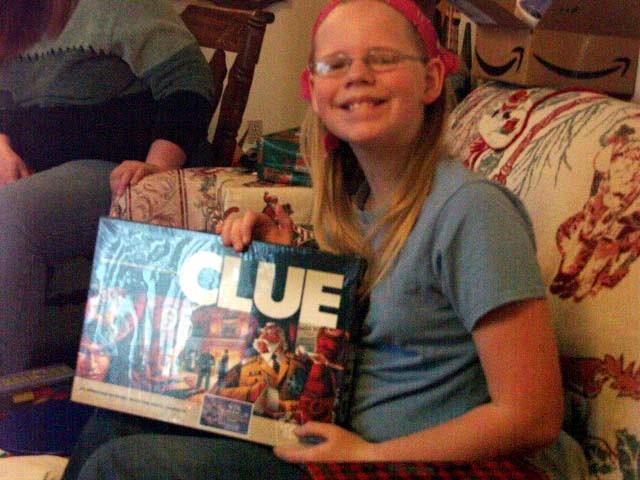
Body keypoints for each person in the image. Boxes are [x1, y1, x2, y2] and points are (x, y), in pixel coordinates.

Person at [62, 1, 587, 478]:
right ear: (314, 91)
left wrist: (368, 456)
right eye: (335, 64)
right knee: (112, 419)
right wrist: (278, 263)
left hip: (396, 461)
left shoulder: (471, 211)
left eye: (382, 59)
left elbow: (533, 416)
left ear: (430, 80)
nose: (357, 75)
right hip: (325, 437)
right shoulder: (352, 206)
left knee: (124, 467)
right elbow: (332, 352)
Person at [0, 0, 214, 375]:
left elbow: (189, 80)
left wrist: (158, 167)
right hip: (31, 167)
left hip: (116, 170)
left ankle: (8, 387)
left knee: (12, 214)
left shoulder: (120, 6)